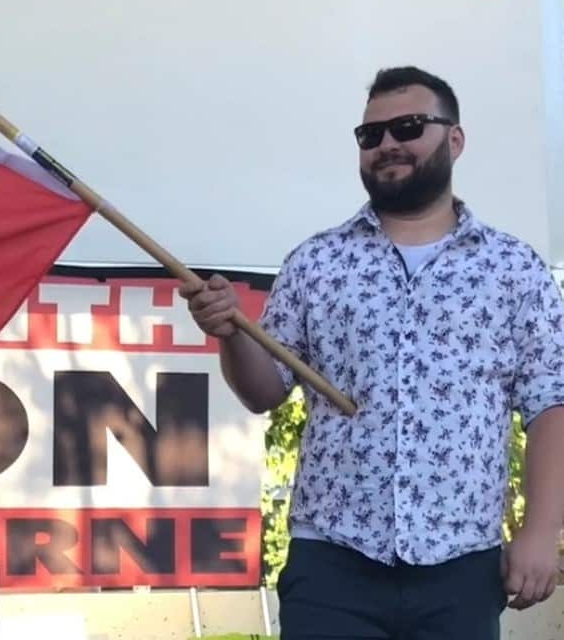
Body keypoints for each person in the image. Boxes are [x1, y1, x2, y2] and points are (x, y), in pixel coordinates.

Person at [180, 66, 564, 638]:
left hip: (460, 561)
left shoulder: (513, 268)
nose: (387, 145)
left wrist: (539, 533)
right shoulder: (316, 262)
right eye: (371, 135)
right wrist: (231, 332)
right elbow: (264, 392)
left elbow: (550, 404)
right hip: (332, 558)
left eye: (408, 127)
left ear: (454, 140)